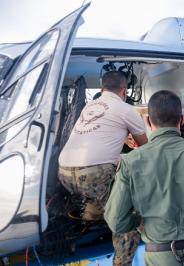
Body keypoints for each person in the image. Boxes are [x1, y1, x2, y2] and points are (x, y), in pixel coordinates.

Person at [104, 90, 184, 266]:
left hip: (159, 255)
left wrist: (139, 221)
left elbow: (116, 220)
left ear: (148, 121)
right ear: (181, 119)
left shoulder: (131, 162)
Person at [58, 70, 148, 266]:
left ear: (101, 89)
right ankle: (122, 262)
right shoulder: (125, 109)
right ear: (124, 91)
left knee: (102, 190)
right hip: (93, 176)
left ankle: (90, 222)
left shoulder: (89, 106)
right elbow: (146, 147)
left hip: (64, 172)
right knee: (127, 218)